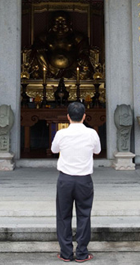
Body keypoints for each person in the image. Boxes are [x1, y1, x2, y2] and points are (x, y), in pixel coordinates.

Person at [51, 101, 101, 262]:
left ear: (68, 117)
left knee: (63, 216)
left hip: (65, 179)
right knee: (84, 215)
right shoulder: (92, 133)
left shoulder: (61, 134)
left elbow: (53, 150)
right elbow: (98, 150)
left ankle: (66, 253)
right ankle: (82, 253)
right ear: (84, 116)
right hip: (84, 180)